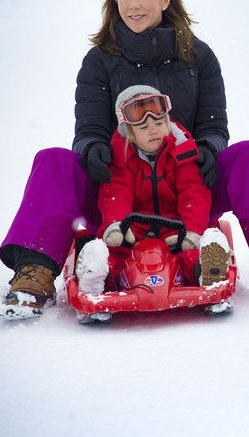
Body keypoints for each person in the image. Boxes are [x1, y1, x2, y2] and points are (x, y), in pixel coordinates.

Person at [0, 0, 249, 319]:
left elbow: (214, 125)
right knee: (53, 160)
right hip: (119, 188)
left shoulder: (198, 57)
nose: (132, 4)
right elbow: (88, 128)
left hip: (187, 184)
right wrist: (92, 150)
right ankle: (34, 275)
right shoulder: (99, 60)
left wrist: (209, 149)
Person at [75, 85, 231, 295]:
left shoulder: (183, 152)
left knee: (189, 251)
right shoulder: (121, 156)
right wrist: (116, 225)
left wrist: (192, 231)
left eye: (159, 122)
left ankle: (205, 270)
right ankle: (99, 275)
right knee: (116, 250)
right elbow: (115, 193)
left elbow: (193, 194)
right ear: (129, 133)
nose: (154, 130)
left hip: (176, 225)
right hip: (133, 227)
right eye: (144, 128)